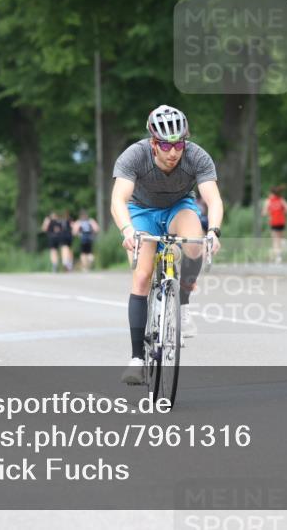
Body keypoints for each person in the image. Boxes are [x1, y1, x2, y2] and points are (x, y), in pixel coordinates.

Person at [112, 105, 223, 385]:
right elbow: (118, 199)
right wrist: (127, 230)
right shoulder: (134, 155)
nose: (173, 152)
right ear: (153, 143)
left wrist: (214, 231)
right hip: (142, 212)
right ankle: (137, 359)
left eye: (178, 144)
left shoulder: (197, 156)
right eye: (165, 145)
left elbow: (213, 199)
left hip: (178, 207)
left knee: (195, 243)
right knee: (142, 276)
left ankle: (182, 302)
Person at [262, 185, 287, 264]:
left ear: (271, 193)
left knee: (275, 240)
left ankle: (277, 256)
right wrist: (282, 213)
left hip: (274, 222)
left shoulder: (268, 201)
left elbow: (264, 212)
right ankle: (279, 253)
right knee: (280, 239)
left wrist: (269, 214)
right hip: (281, 222)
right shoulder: (281, 199)